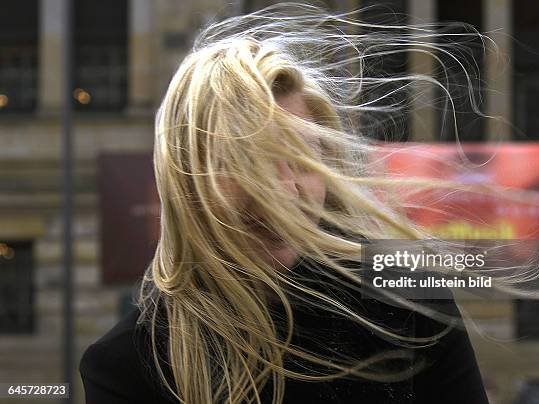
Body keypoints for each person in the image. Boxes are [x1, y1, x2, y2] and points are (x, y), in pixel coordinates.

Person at [80, 3, 494, 403]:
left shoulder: (406, 291)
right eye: (249, 162)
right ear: (186, 179)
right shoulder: (129, 364)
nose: (286, 190)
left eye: (303, 161)